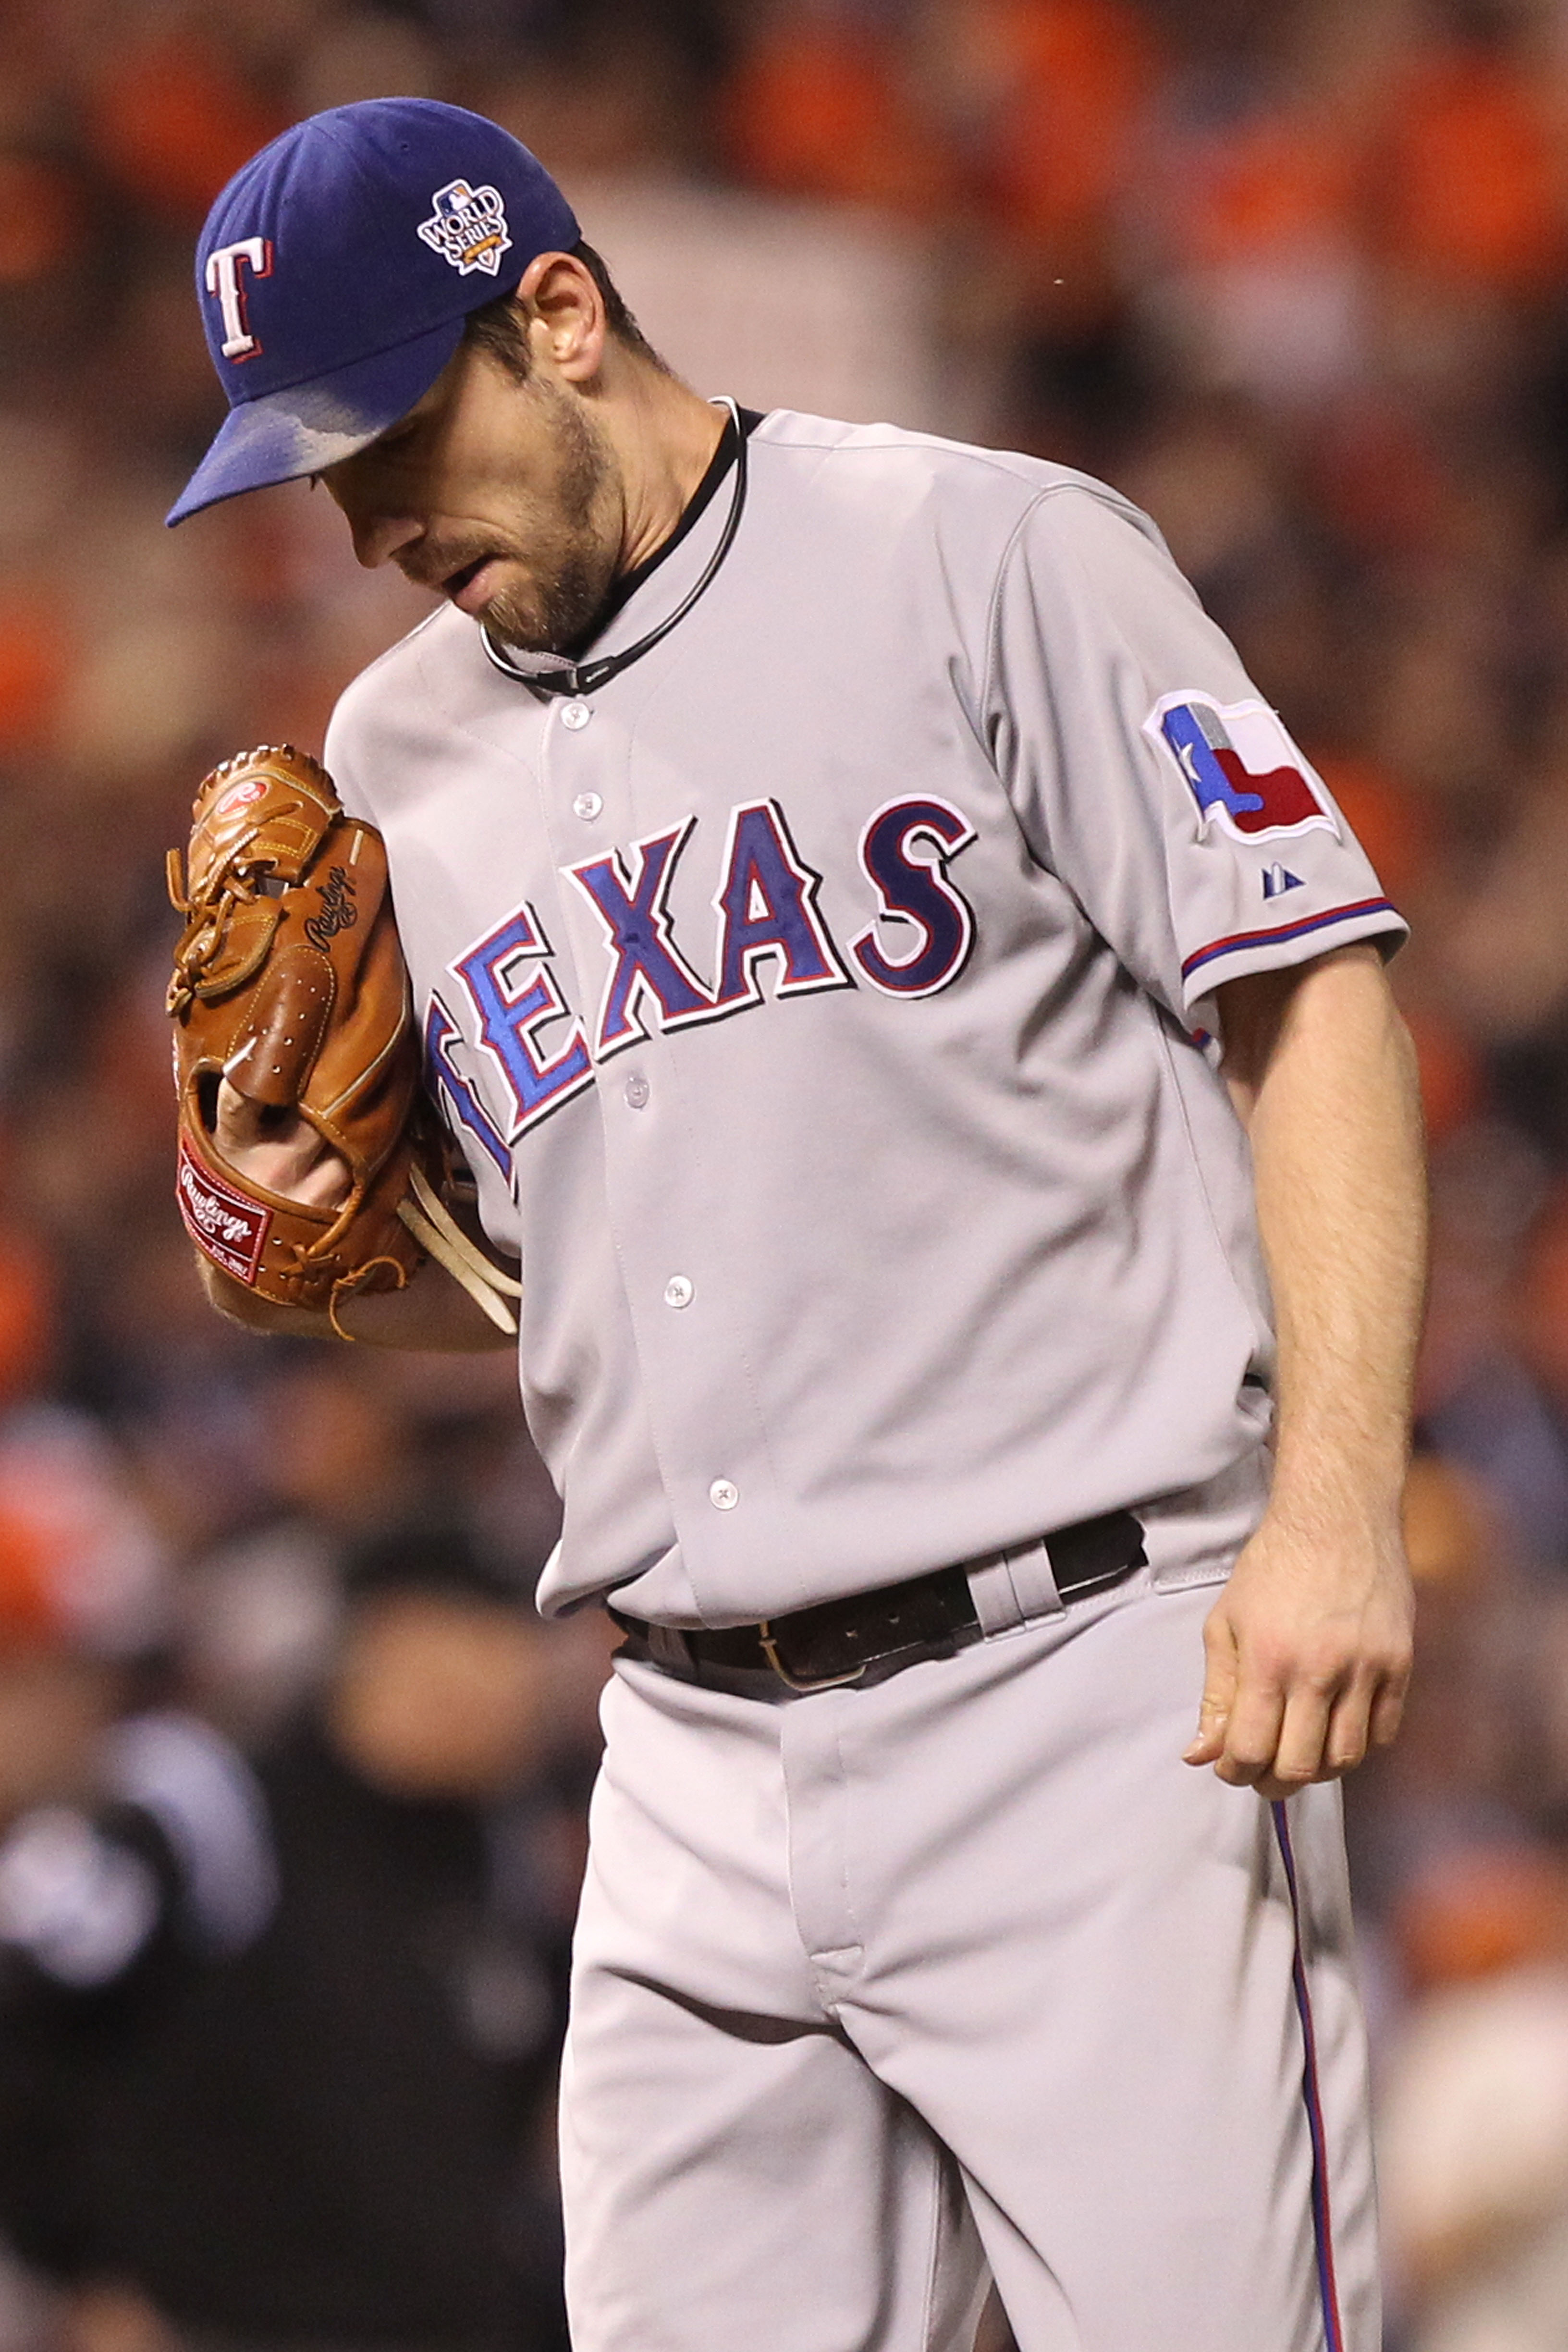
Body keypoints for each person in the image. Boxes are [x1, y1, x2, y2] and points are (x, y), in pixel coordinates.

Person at [167, 97, 1426, 2352]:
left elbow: (1312, 1001)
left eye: (384, 428)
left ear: (554, 313)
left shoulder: (988, 554)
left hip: (1091, 1703)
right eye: (306, 464)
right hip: (685, 1764)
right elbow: (576, 1265)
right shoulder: (388, 762)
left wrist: (1335, 1516)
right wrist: (317, 1264)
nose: (360, 518)